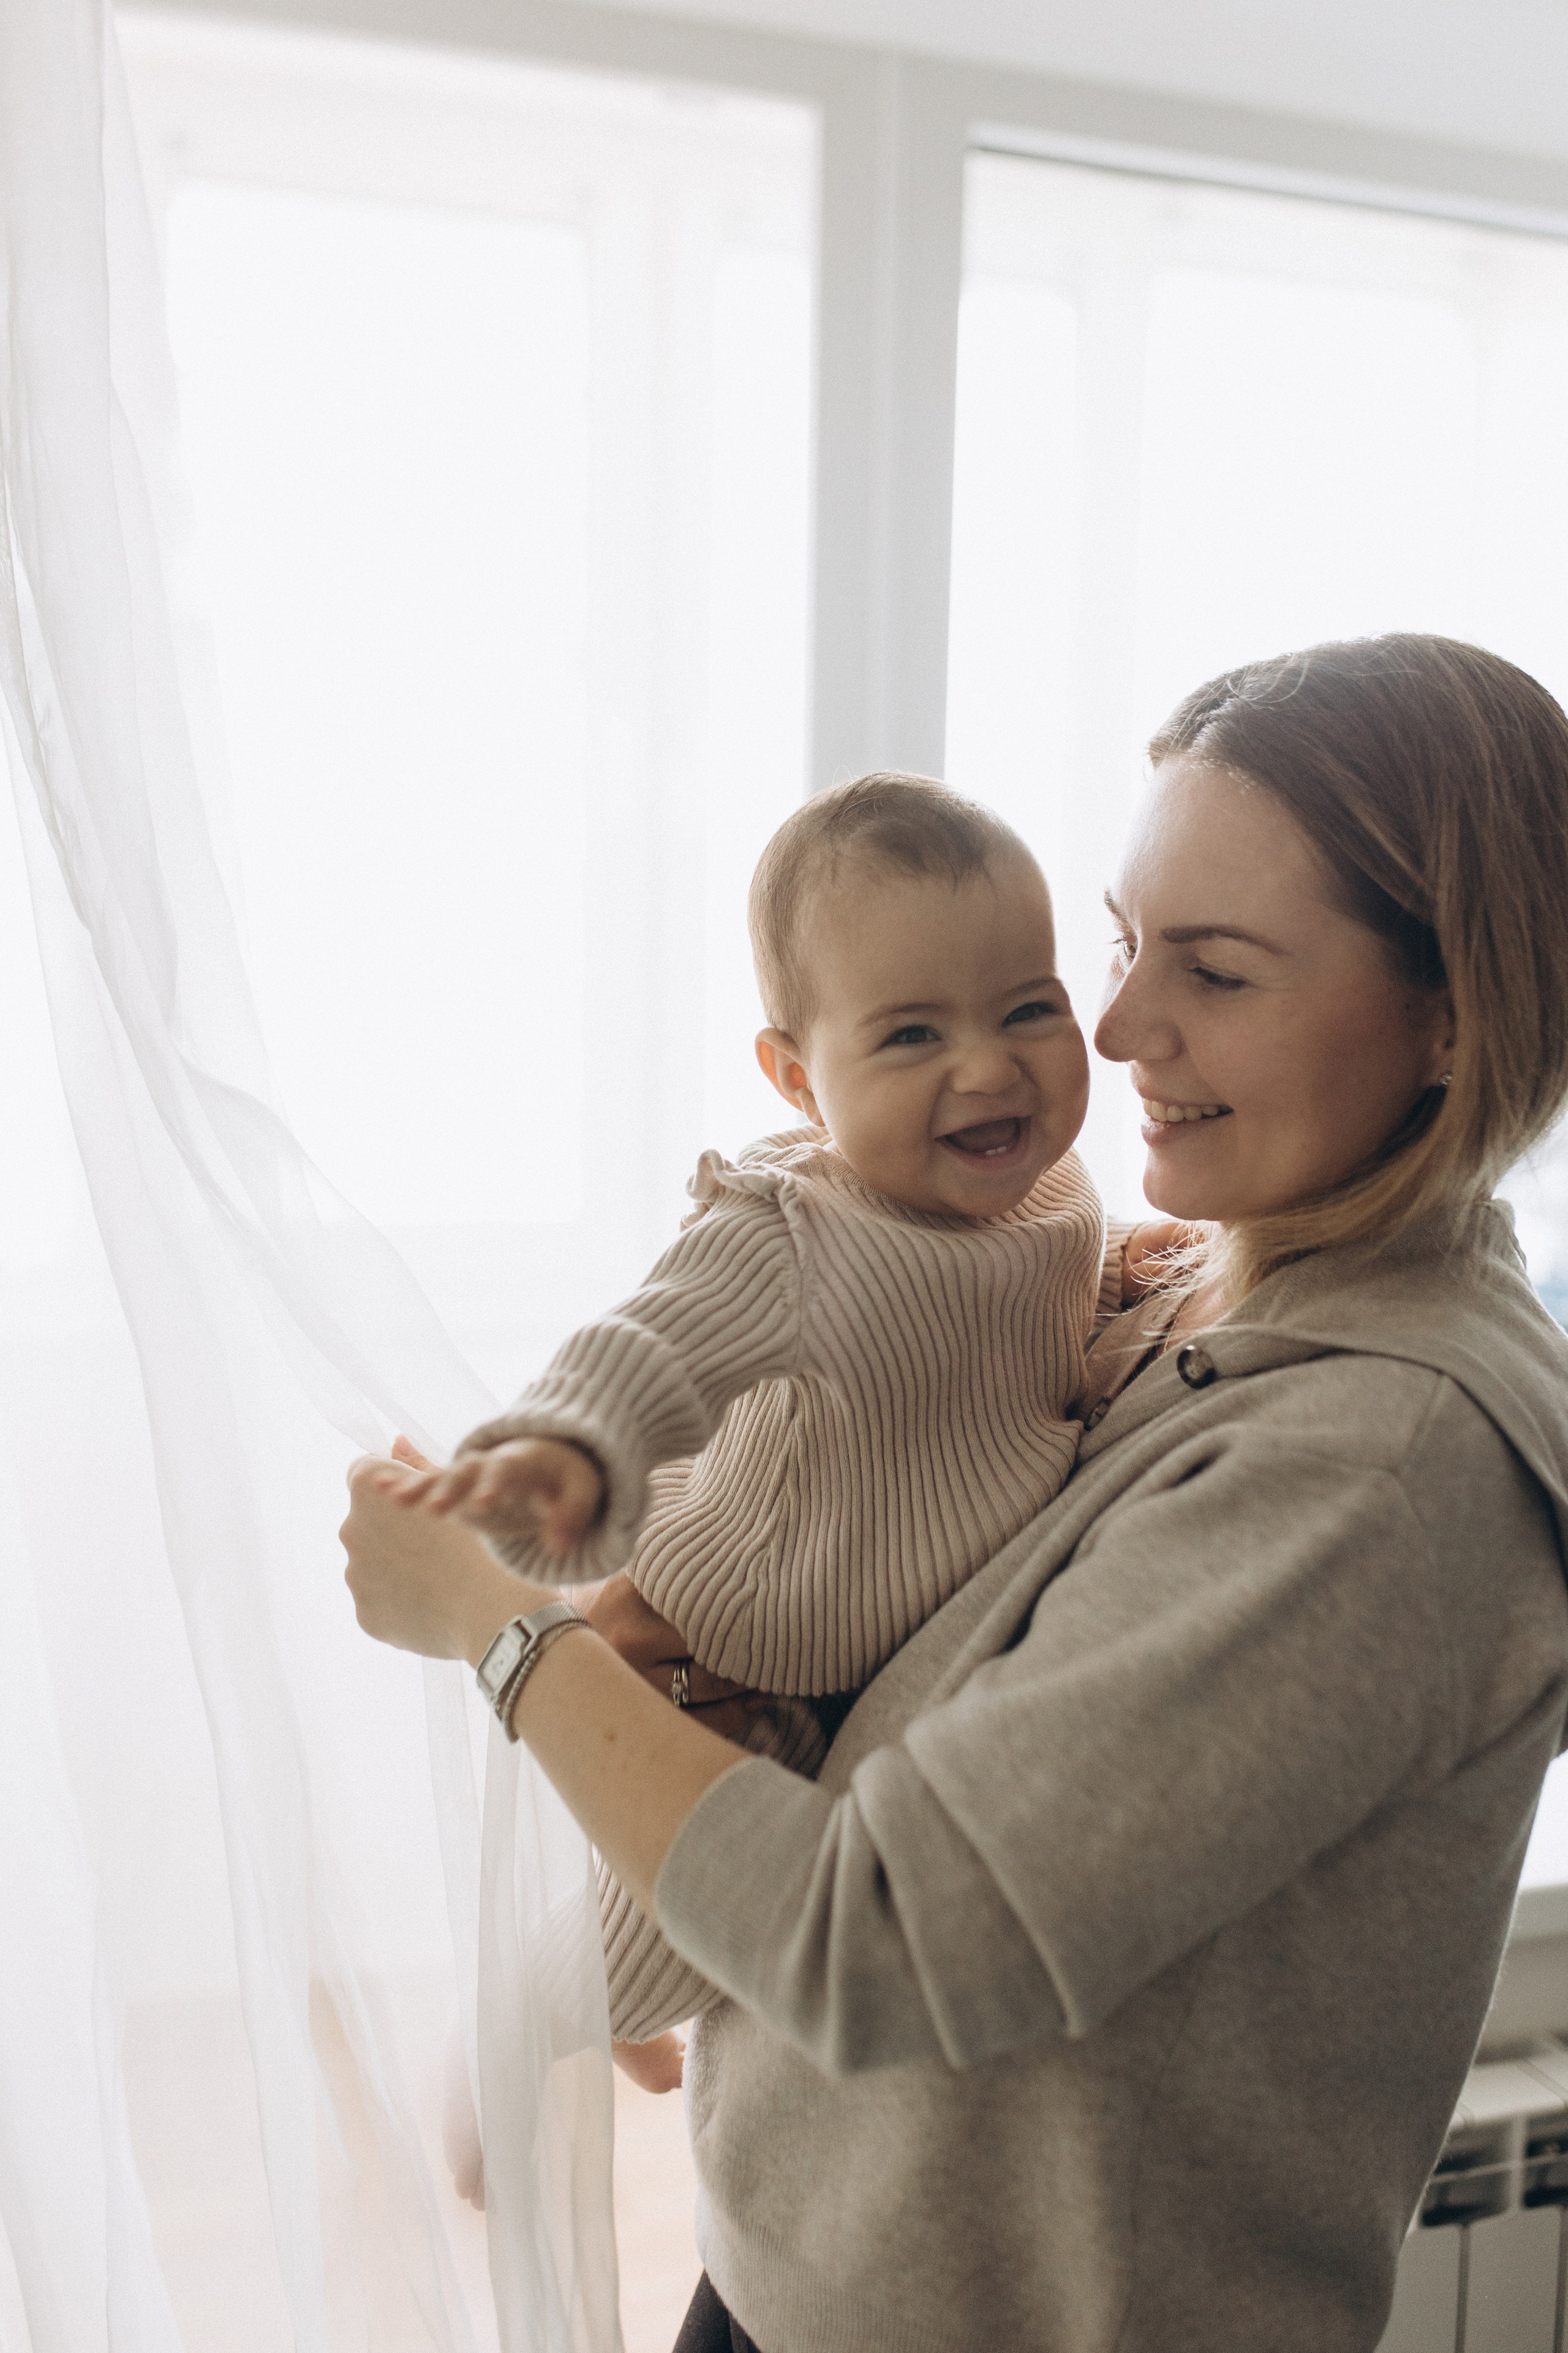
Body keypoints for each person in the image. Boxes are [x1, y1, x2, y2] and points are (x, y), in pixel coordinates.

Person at [343, 635, 1568, 2352]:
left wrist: (500, 1635)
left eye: (1211, 971)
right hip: (816, 2278)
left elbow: (887, 1940)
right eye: (1127, 943)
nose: (1118, 1026)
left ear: (1455, 1017)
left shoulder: (1377, 1471)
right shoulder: (1189, 1288)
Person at [383, 775, 1168, 2059]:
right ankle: (489, 2074)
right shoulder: (800, 1232)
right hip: (726, 1645)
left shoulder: (1054, 1193)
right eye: (910, 1035)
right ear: (797, 1078)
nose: (988, 1066)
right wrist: (564, 1448)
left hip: (867, 1644)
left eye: (1029, 1008)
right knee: (647, 1955)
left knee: (706, 1941)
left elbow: (1019, 1301)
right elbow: (648, 1344)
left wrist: (1132, 1267)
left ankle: (602, 1997)